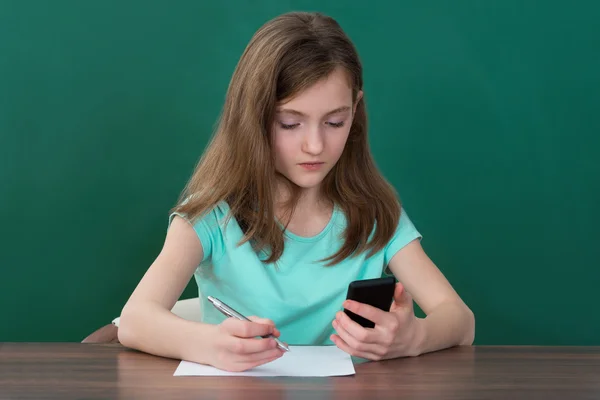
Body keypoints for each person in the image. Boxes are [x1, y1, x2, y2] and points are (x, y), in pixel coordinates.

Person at [118, 11, 475, 372]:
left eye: (335, 122)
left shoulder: (376, 213)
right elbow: (134, 320)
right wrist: (206, 344)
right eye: (290, 123)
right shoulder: (211, 215)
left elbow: (460, 319)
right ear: (253, 118)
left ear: (356, 110)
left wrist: (415, 338)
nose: (315, 145)